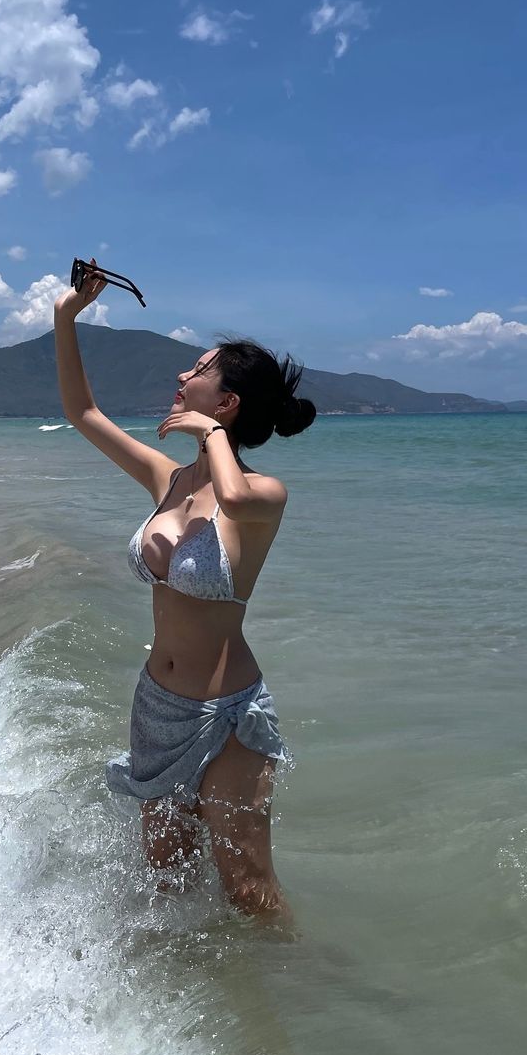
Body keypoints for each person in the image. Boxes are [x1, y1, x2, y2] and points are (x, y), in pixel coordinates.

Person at [53, 262, 316, 919]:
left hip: (227, 715)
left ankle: (295, 975)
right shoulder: (168, 481)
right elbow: (82, 413)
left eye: (198, 370)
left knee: (248, 890)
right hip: (157, 706)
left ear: (226, 404)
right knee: (165, 880)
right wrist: (66, 317)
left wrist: (211, 435)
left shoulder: (262, 496)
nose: (181, 375)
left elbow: (232, 495)